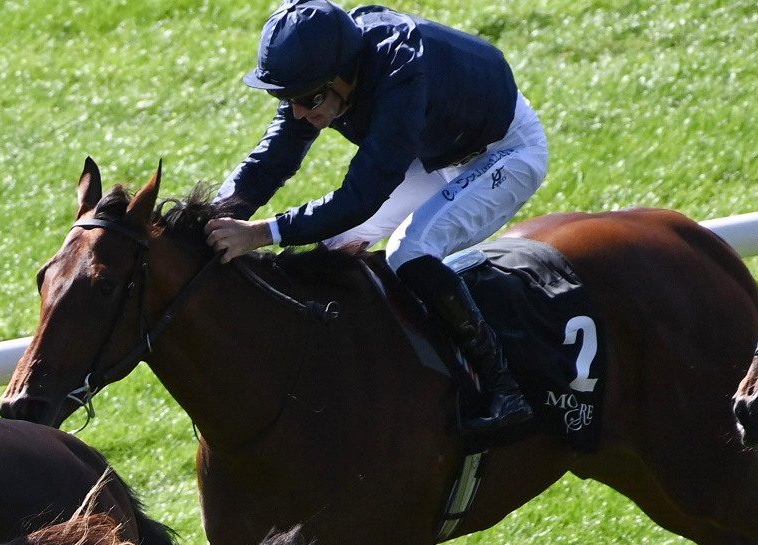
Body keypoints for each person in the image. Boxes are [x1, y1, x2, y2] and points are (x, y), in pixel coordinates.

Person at [204, 0, 547, 433]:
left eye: (308, 99)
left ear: (345, 74)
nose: (299, 113)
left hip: (507, 152)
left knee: (410, 249)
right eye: (286, 99)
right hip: (436, 151)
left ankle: (504, 388)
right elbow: (272, 159)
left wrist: (263, 232)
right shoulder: (320, 77)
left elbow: (362, 196)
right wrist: (212, 217)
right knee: (332, 249)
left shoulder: (401, 72)